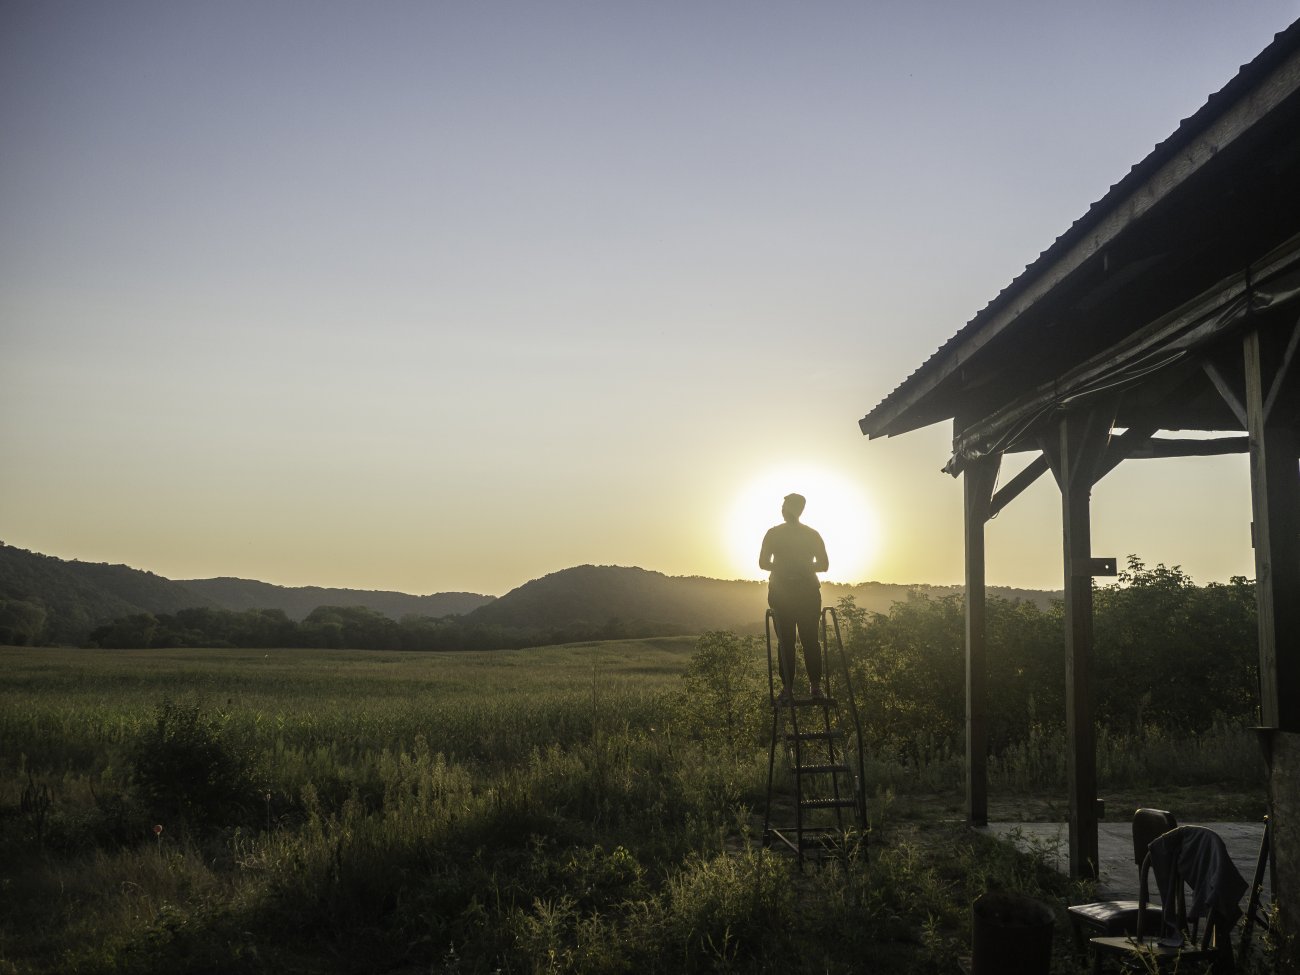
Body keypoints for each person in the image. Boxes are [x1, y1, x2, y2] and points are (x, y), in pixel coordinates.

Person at [758, 492, 829, 704]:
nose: (782, 509)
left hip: (800, 593)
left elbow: (824, 565)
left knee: (805, 642)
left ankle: (812, 688)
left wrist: (797, 567)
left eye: (785, 505)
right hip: (785, 593)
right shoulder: (802, 534)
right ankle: (791, 689)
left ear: (793, 509)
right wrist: (792, 567)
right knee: (790, 642)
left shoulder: (806, 534)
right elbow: (762, 562)